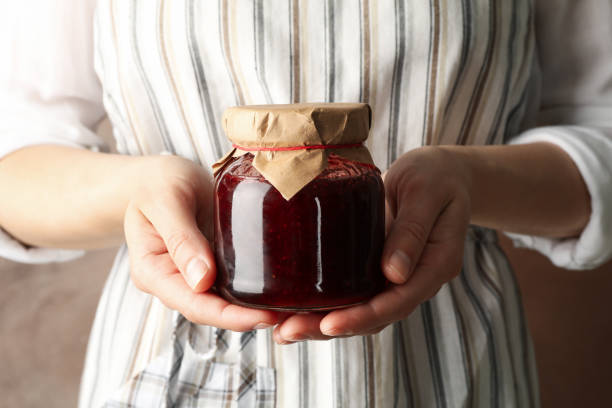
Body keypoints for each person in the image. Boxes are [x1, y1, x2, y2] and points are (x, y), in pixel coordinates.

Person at [0, 0, 610, 406]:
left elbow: (598, 133)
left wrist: (469, 180)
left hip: (452, 369)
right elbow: (14, 165)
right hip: (166, 361)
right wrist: (140, 191)